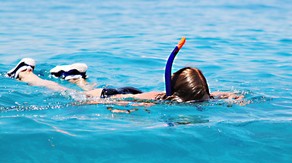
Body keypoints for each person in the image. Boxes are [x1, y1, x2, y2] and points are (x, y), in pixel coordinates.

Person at [6, 39, 243, 104]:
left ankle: (74, 76)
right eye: (194, 101)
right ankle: (25, 73)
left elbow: (218, 95)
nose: (200, 103)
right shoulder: (158, 100)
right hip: (118, 94)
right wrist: (93, 104)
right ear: (177, 95)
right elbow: (126, 99)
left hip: (128, 90)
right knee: (62, 93)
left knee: (82, 89)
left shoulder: (201, 96)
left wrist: (233, 97)